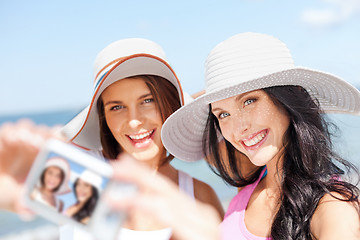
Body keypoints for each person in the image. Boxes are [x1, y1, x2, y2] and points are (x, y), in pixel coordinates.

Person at [160, 32, 360, 239]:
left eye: (249, 101)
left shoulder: (332, 206)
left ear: (288, 99)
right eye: (223, 114)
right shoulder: (247, 189)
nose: (238, 129)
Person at [60, 38, 224, 239]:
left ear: (171, 104)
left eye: (147, 101)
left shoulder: (199, 197)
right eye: (117, 107)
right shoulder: (82, 174)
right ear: (104, 118)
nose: (134, 121)